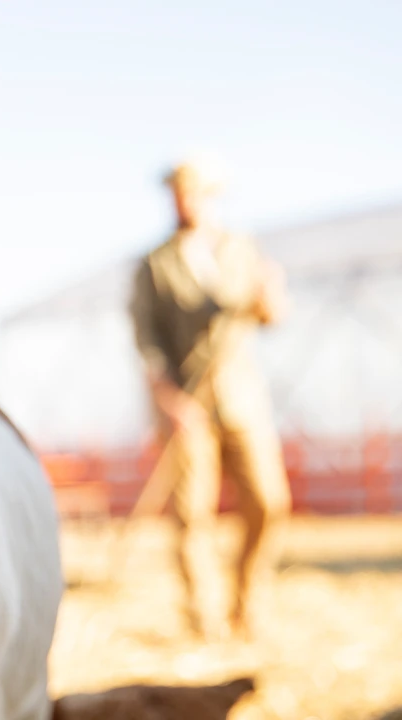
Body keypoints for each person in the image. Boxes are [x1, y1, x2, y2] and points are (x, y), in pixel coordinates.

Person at [128, 158, 292, 641]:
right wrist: (168, 399)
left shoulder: (243, 251)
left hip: (241, 398)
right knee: (192, 515)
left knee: (268, 502)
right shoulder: (154, 265)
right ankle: (204, 618)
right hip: (185, 405)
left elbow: (271, 315)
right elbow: (147, 340)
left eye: (195, 191)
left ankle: (248, 601)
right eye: (179, 191)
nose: (186, 199)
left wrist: (270, 297)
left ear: (212, 196)